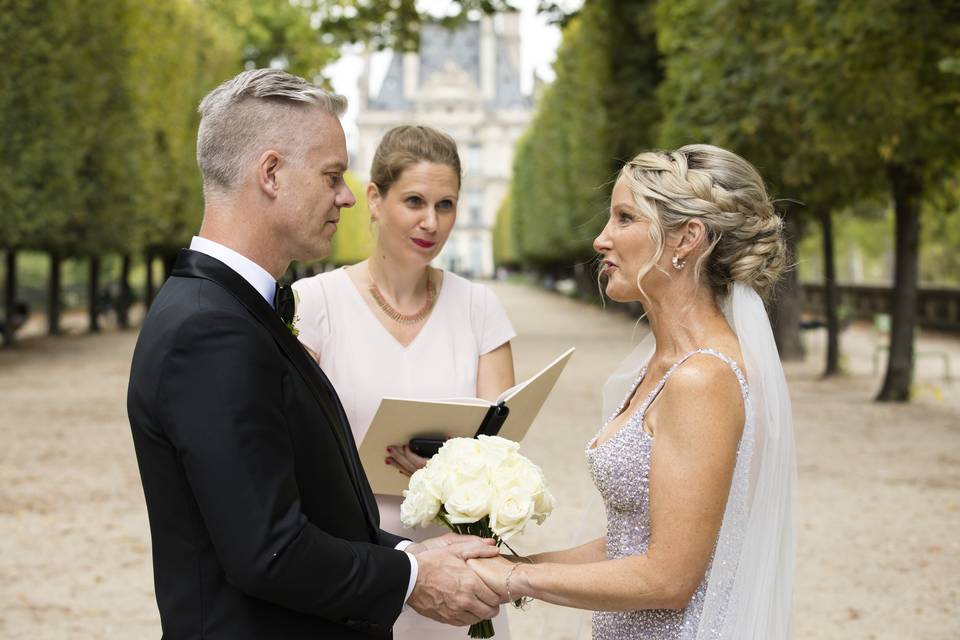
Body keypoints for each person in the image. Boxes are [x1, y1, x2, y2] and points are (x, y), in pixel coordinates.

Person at [126, 69, 502, 640]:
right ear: (271, 173)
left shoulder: (230, 311)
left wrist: (414, 551)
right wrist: (411, 575)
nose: (348, 196)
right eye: (332, 176)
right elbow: (269, 551)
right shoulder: (211, 330)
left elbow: (300, 511)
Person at [469, 144, 796, 638]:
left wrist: (517, 579)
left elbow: (668, 579)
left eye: (624, 218)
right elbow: (630, 544)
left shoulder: (701, 378)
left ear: (687, 239)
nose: (601, 239)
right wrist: (511, 567)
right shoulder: (661, 365)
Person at [293, 125, 516, 639]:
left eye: (446, 205)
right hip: (353, 567)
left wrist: (456, 473)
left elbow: (506, 457)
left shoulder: (482, 309)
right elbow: (287, 456)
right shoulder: (314, 305)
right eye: (414, 201)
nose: (431, 222)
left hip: (460, 567)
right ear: (374, 198)